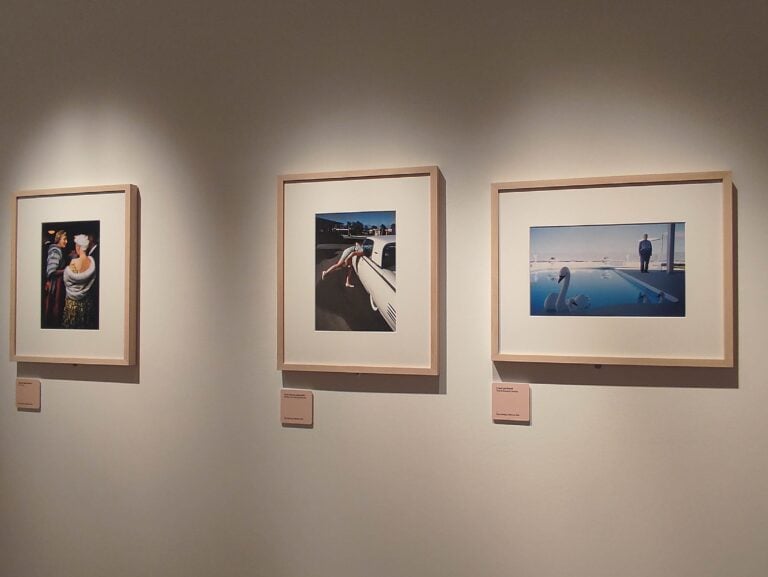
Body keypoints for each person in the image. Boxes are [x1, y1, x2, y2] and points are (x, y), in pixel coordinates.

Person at [62, 234, 98, 329]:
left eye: (75, 245)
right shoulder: (91, 261)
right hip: (86, 302)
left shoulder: (73, 262)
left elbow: (67, 281)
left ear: (78, 246)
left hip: (73, 304)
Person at [43, 230, 68, 327]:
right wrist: (66, 269)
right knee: (54, 309)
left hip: (58, 285)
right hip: (55, 285)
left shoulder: (58, 250)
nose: (66, 241)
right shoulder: (55, 250)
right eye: (64, 239)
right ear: (58, 239)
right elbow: (52, 271)